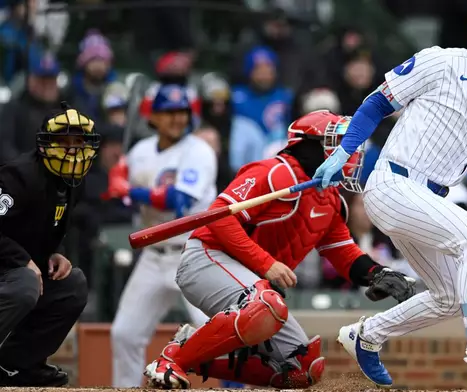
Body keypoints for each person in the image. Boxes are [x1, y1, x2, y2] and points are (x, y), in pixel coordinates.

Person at [313, 0, 467, 389]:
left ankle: (366, 336)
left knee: (450, 297)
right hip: (392, 182)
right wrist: (344, 151)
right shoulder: (443, 61)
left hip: (430, 199)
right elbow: (377, 103)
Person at [142, 110, 417, 389]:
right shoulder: (273, 172)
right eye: (338, 143)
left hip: (255, 285)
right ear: (310, 144)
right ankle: (170, 361)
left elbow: (342, 252)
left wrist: (378, 273)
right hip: (207, 260)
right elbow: (219, 217)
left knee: (302, 369)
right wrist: (266, 264)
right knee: (265, 305)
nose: (347, 154)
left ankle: (190, 352)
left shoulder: (331, 199)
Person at [105, 85, 215, 387]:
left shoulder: (199, 151)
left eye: (182, 112)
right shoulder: (139, 151)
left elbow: (179, 199)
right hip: (153, 257)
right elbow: (121, 198)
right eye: (169, 112)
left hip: (194, 254)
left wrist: (130, 190)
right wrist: (115, 178)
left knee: (219, 332)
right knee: (125, 333)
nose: (177, 119)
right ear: (153, 116)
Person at [0, 102, 101, 386]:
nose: (72, 149)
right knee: (24, 284)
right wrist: (22, 260)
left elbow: (45, 226)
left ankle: (17, 366)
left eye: (78, 141)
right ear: (45, 145)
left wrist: (57, 252)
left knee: (73, 284)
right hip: (9, 270)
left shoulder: (73, 181)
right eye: (63, 141)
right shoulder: (18, 176)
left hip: (16, 270)